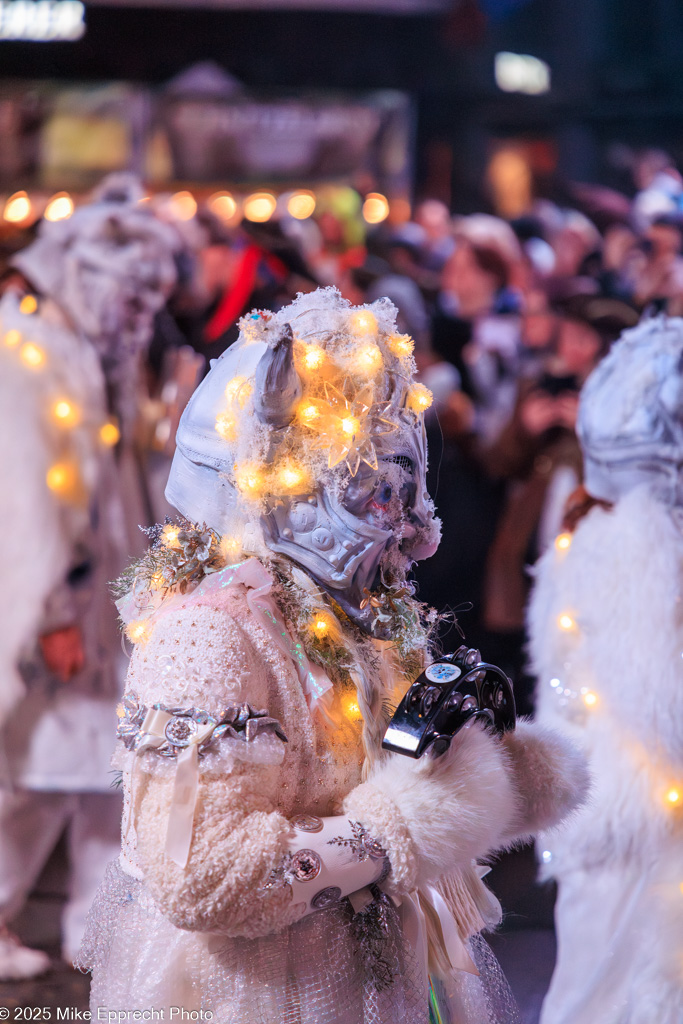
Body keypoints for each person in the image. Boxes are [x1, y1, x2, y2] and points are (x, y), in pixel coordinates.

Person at [77, 287, 587, 1023]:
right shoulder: (210, 633)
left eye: (402, 480)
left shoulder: (359, 614)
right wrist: (403, 827)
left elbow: (394, 785)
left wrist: (494, 777)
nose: (395, 511)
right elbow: (200, 879)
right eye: (364, 480)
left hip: (386, 974)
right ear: (277, 475)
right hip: (256, 992)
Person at [0, 176, 178, 979]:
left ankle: (98, 927)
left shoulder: (85, 353)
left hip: (111, 594)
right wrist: (54, 613)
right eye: (130, 295)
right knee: (35, 771)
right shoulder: (26, 353)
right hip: (63, 601)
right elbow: (31, 502)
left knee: (112, 766)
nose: (138, 312)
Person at [527, 314, 683, 1024]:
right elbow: (663, 710)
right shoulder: (642, 544)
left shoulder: (587, 526)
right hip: (641, 826)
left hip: (605, 813)